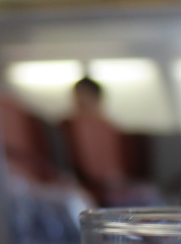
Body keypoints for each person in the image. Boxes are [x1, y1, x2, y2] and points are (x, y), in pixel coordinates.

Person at [63, 76, 160, 206]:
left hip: (114, 182)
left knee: (148, 192)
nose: (79, 102)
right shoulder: (70, 127)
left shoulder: (108, 127)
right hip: (90, 184)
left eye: (84, 97)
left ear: (96, 98)